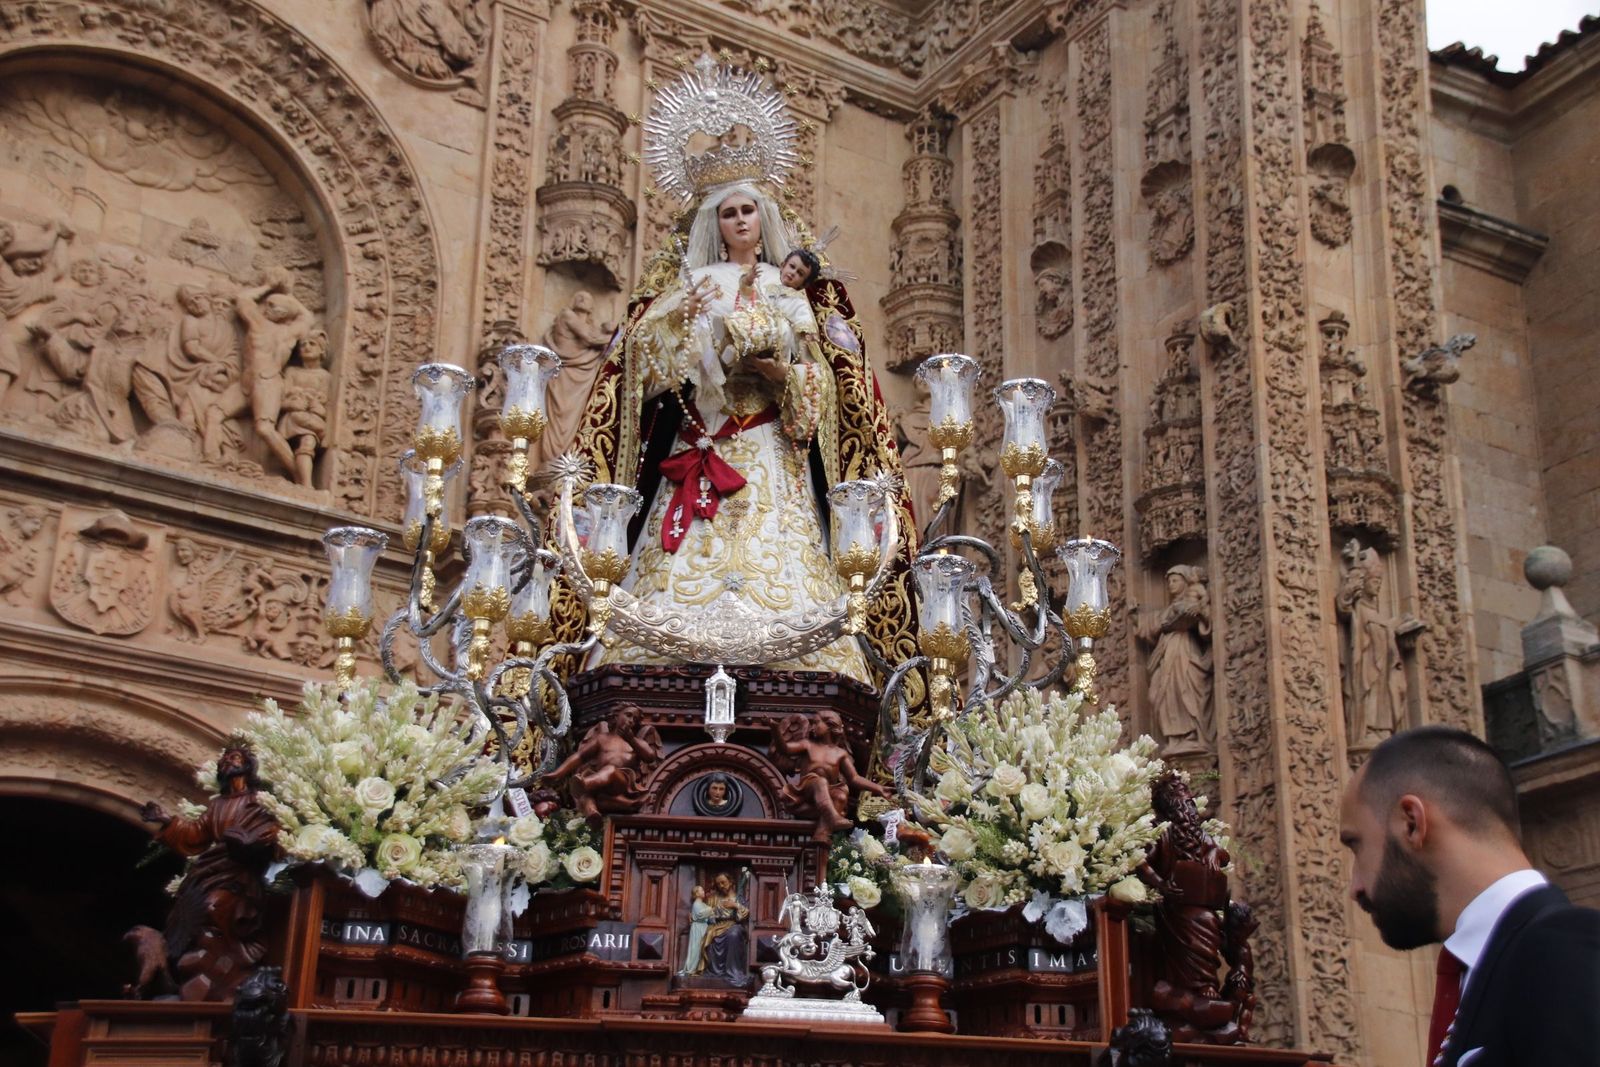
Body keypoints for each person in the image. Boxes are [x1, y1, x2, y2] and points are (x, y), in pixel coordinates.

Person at [571, 58, 917, 685]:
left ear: (764, 221)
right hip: (699, 443)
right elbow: (641, 377)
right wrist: (688, 337)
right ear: (713, 222)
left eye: (748, 211)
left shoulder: (793, 296)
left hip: (765, 450)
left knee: (780, 565)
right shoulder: (687, 286)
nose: (738, 222)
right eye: (727, 212)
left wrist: (779, 374)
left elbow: (824, 390)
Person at [1338, 726, 1600, 1067]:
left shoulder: (1565, 952)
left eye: (1356, 846)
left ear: (1412, 824)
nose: (1354, 887)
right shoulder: (1483, 972)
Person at [678, 885, 712, 976]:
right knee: (696, 948)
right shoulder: (696, 904)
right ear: (696, 893)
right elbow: (700, 914)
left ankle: (700, 967)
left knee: (701, 948)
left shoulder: (703, 904)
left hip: (703, 927)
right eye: (701, 890)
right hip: (698, 928)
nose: (703, 892)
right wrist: (711, 909)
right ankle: (691, 968)